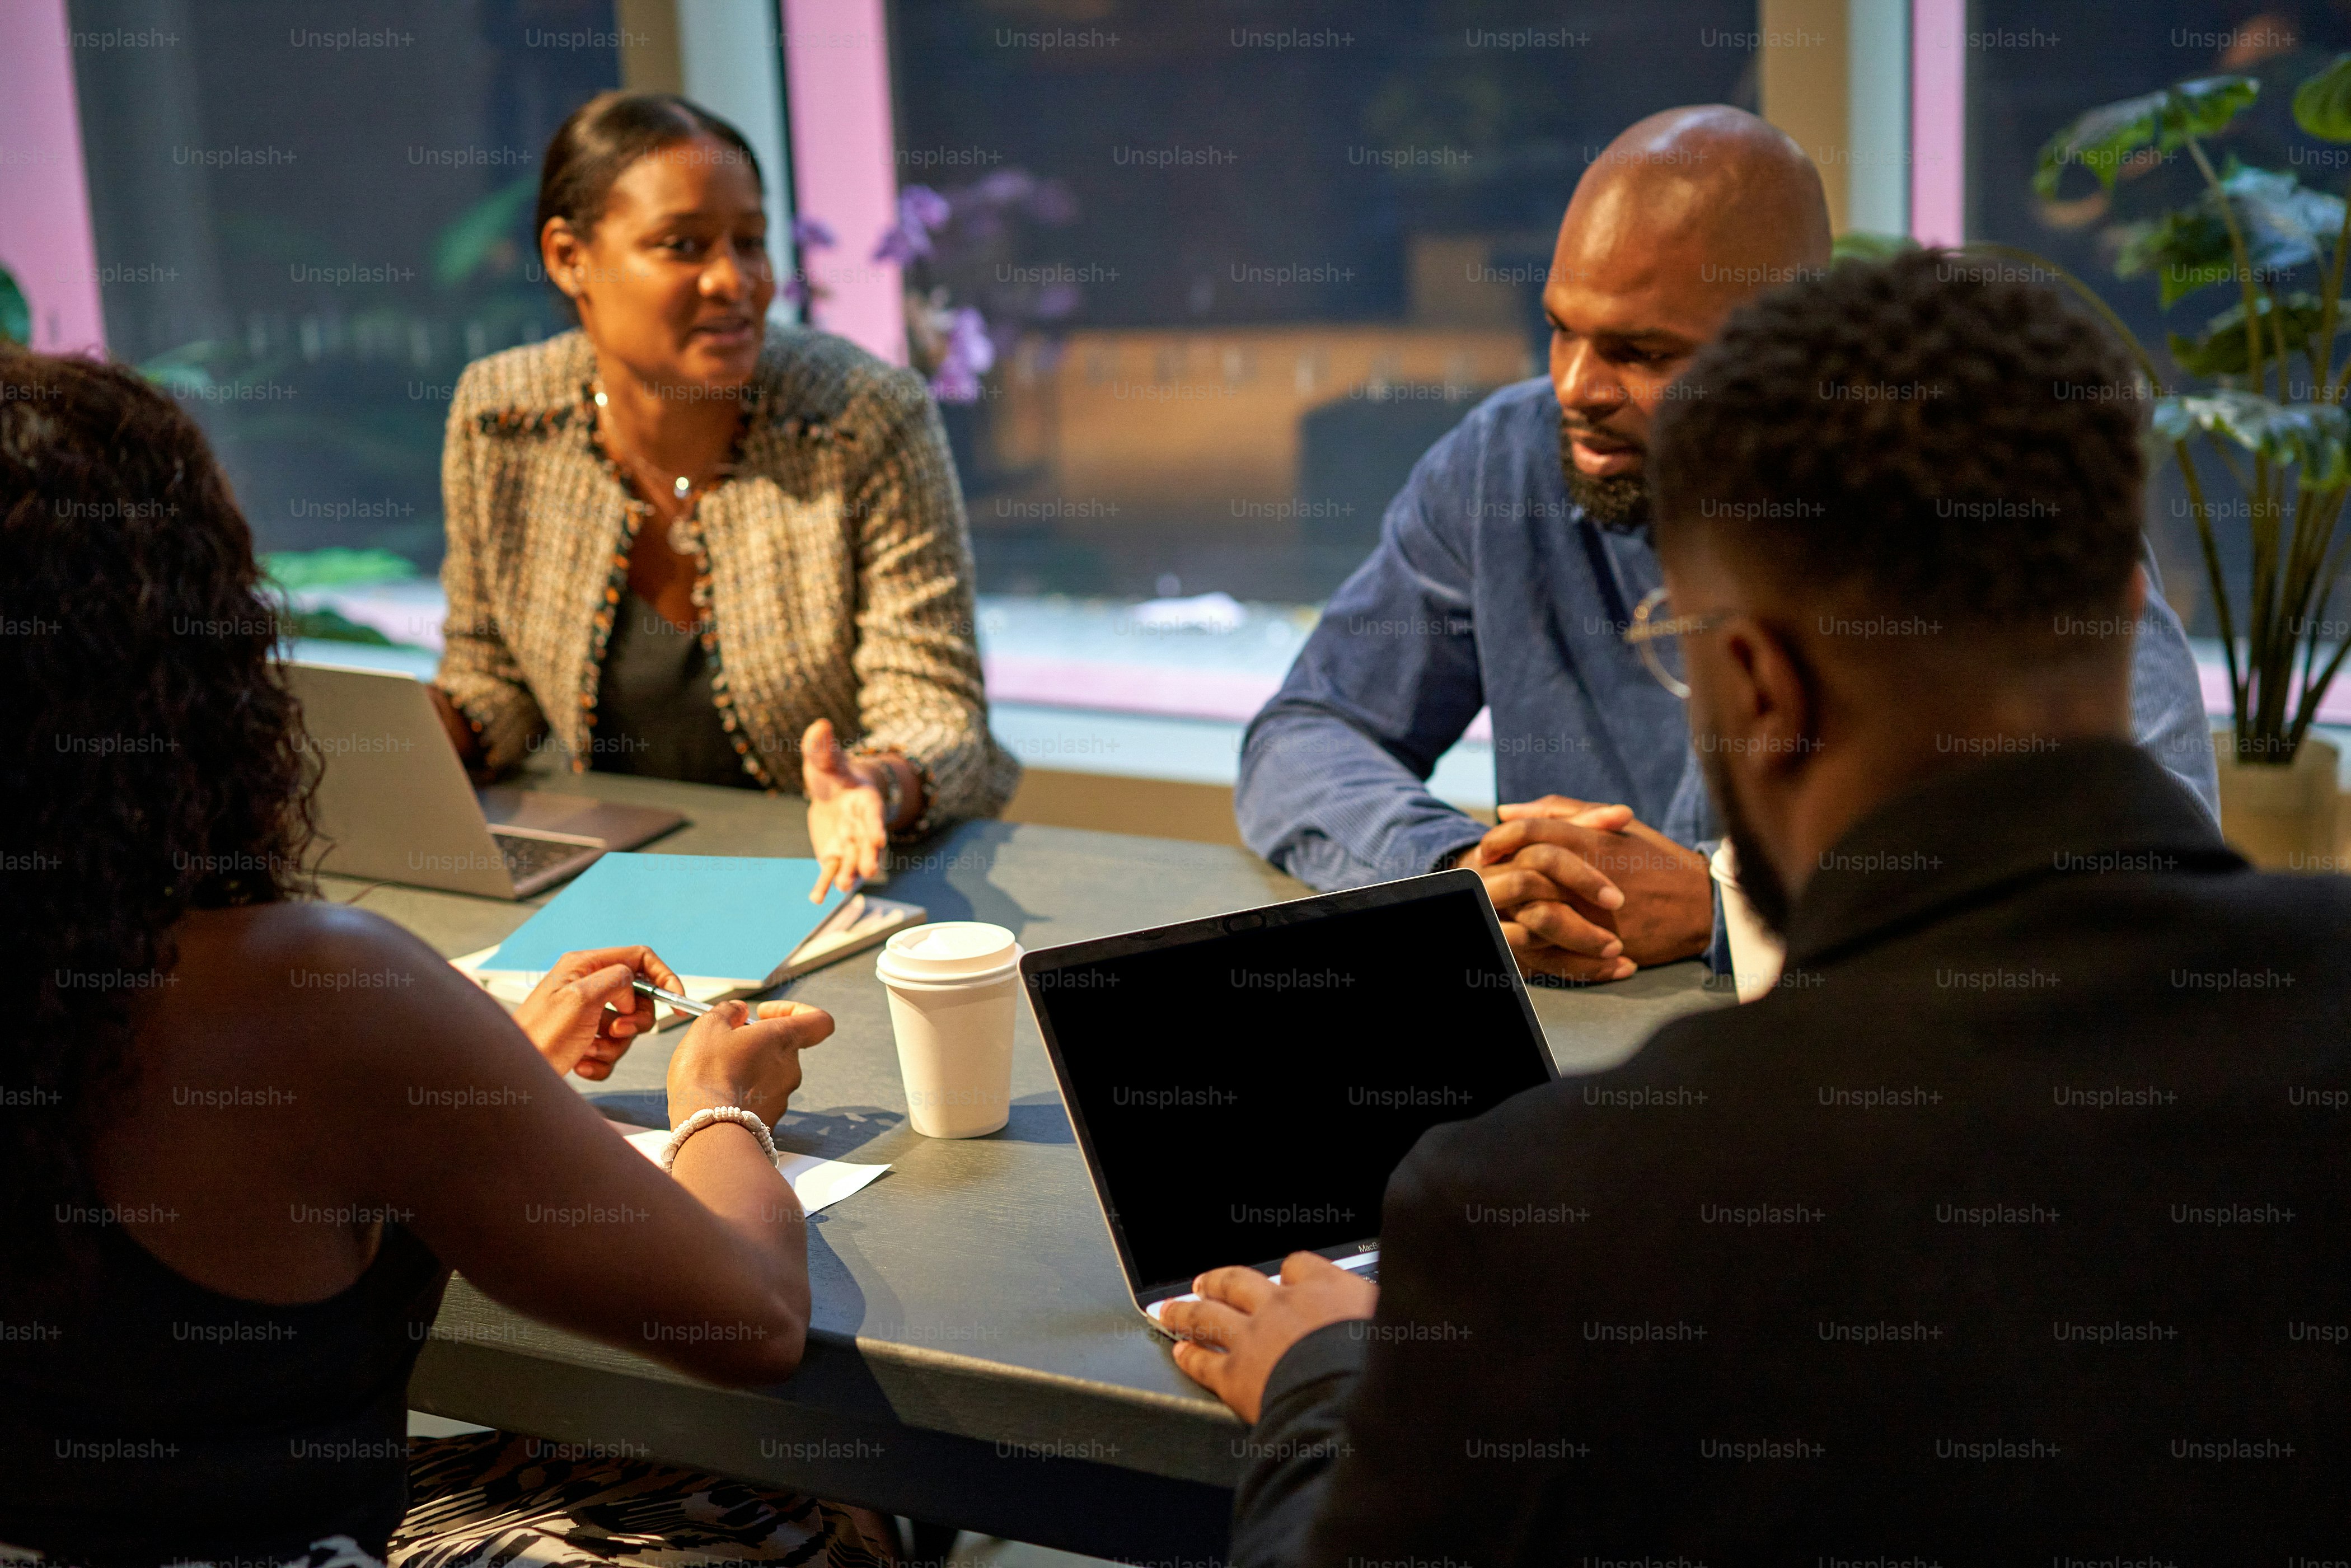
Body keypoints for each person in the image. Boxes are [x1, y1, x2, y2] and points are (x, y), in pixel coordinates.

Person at [1163, 256, 2350, 1561]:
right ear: (2130, 614)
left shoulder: (1544, 1219)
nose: (1578, 382)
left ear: (1753, 687)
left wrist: (1330, 1391)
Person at [0, 348, 894, 1564]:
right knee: (820, 1513)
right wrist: (717, 1109)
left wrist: (483, 1075)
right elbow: (754, 1320)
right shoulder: (308, 993)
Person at [1234, 104, 2219, 984]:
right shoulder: (1508, 464)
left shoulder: (1956, 492)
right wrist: (1468, 875)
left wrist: (1728, 912)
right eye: (1560, 330)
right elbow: (1305, 734)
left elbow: (2146, 863)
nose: (1576, 386)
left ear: (1784, 342)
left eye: (1642, 352)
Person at [430, 91, 1018, 899]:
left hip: (835, 883)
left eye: (750, 242)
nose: (733, 281)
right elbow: (492, 676)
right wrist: (421, 731)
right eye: (682, 246)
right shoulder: (501, 418)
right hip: (604, 883)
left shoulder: (863, 418)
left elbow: (937, 711)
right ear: (570, 258)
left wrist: (870, 785)